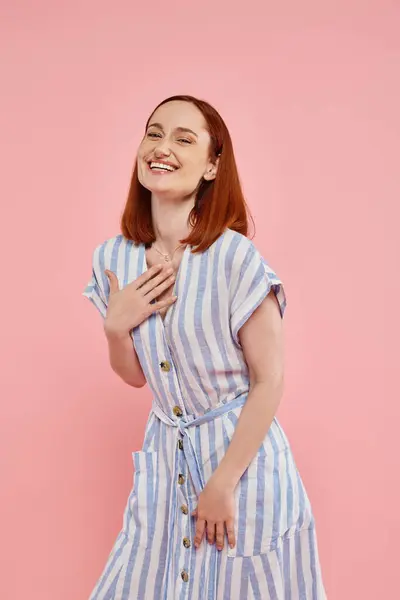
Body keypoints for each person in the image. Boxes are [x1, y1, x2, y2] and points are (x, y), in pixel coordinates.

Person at [82, 94, 326, 600]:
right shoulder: (113, 259)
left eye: (183, 138)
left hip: (244, 469)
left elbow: (269, 380)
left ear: (213, 165)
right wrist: (116, 326)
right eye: (153, 132)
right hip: (165, 466)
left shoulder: (234, 257)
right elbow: (135, 377)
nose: (161, 147)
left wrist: (222, 483)